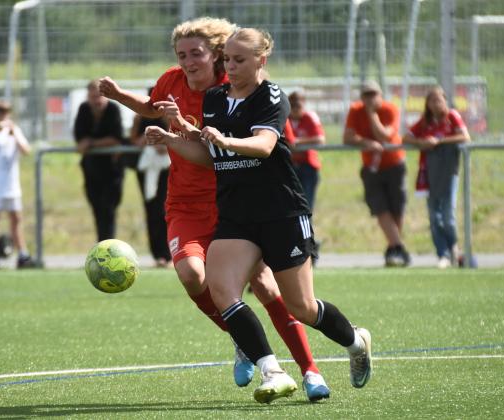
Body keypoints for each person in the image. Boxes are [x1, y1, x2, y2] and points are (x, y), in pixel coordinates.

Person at [98, 17, 331, 401]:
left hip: (232, 203)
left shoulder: (233, 91)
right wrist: (120, 94)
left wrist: (178, 129)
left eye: (196, 54)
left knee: (266, 285)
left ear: (217, 55)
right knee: (192, 274)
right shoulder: (172, 80)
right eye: (182, 54)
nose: (188, 62)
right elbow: (151, 108)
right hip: (185, 203)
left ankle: (310, 370)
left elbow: (218, 149)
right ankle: (246, 343)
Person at [145, 26, 372, 405]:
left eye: (239, 60)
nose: (230, 67)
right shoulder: (216, 98)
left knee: (302, 306)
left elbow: (265, 146)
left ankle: (355, 341)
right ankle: (272, 369)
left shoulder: (272, 95)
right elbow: (209, 157)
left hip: (280, 212)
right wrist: (172, 139)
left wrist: (225, 140)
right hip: (236, 215)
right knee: (221, 291)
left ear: (261, 60)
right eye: (227, 60)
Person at [343, 80, 411, 267]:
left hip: (394, 164)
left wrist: (372, 114)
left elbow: (385, 135)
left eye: (374, 94)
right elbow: (347, 137)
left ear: (381, 95)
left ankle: (393, 248)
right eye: (366, 95)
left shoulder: (390, 109)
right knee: (380, 208)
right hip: (371, 168)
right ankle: (398, 247)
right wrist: (366, 143)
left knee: (397, 208)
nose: (370, 98)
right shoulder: (355, 110)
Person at [403, 86, 471, 269]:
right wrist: (421, 142)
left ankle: (454, 248)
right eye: (431, 100)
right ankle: (443, 254)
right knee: (434, 217)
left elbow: (465, 137)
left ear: (445, 101)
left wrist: (438, 141)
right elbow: (406, 138)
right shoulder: (426, 122)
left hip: (449, 172)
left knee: (448, 215)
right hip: (430, 173)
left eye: (438, 100)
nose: (435, 104)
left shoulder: (452, 117)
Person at [0, 99, 37, 269]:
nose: (3, 117)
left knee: (16, 218)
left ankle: (22, 255)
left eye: (6, 113)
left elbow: (26, 151)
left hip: (12, 184)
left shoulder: (14, 131)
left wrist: (14, 134)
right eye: (0, 113)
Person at [73, 80, 125, 242]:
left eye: (99, 96)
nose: (96, 101)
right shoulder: (84, 109)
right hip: (91, 168)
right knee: (96, 207)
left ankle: (107, 245)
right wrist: (91, 143)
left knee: (108, 209)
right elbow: (79, 138)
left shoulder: (113, 109)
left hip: (112, 170)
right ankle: (101, 244)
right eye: (92, 96)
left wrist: (92, 143)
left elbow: (116, 138)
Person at [128, 87, 172, 267]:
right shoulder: (140, 116)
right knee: (152, 209)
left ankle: (170, 253)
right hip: (147, 168)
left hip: (167, 168)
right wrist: (145, 141)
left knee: (167, 209)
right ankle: (158, 254)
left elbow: (177, 135)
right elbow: (134, 139)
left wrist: (165, 143)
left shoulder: (170, 115)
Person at [287, 90, 326, 210]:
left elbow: (320, 139)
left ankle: (306, 228)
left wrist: (297, 141)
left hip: (308, 166)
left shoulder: (310, 117)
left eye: (298, 106)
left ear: (304, 104)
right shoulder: (284, 118)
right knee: (289, 205)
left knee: (306, 205)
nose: (295, 109)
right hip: (289, 165)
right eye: (292, 105)